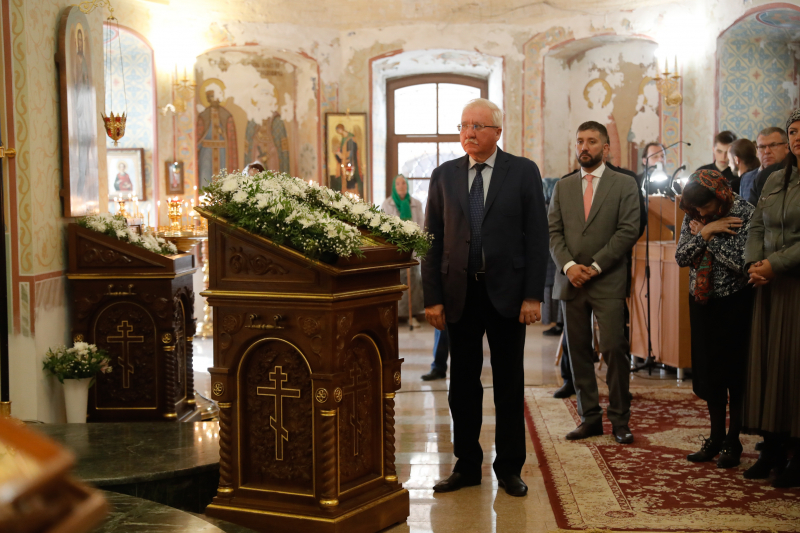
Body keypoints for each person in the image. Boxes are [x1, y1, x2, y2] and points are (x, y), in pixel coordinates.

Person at [422, 98, 549, 497]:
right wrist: (432, 297)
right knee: (462, 384)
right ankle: (466, 465)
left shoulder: (523, 171)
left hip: (507, 293)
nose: (469, 133)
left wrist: (533, 295)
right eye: (464, 125)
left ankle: (509, 467)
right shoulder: (444, 175)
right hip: (459, 293)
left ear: (497, 131)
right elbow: (431, 240)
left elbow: (537, 236)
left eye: (477, 126)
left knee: (509, 382)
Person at [548, 121, 640, 444]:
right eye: (579, 141)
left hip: (608, 279)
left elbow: (629, 230)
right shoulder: (563, 187)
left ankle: (620, 420)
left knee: (614, 348)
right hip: (571, 281)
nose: (584, 147)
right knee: (578, 352)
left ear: (606, 147)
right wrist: (569, 266)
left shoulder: (624, 184)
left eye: (591, 141)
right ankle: (589, 418)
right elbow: (553, 232)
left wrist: (596, 266)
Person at [675, 170, 754, 468]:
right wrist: (706, 232)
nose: (700, 213)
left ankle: (733, 441)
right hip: (702, 302)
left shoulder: (744, 212)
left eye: (705, 207)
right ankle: (715, 437)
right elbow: (682, 256)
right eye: (696, 209)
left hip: (735, 303)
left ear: (720, 196)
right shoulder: (693, 211)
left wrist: (708, 238)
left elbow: (742, 263)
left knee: (735, 373)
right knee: (710, 373)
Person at [741, 109, 800, 488]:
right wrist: (754, 263)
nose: (797, 137)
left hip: (794, 284)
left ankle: (798, 453)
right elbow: (757, 225)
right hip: (768, 285)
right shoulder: (776, 178)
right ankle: (772, 449)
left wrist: (774, 264)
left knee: (793, 368)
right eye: (793, 131)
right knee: (768, 367)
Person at [381, 174, 425, 329]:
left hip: (412, 248)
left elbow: (421, 223)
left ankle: (412, 315)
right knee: (396, 282)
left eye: (404, 183)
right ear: (394, 186)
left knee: (412, 282)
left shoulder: (416, 203)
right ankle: (395, 315)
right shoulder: (387, 204)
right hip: (395, 249)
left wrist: (414, 239)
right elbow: (384, 226)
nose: (401, 186)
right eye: (398, 184)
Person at [748, 126, 790, 205]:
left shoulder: (795, 172)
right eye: (762, 147)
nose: (767, 151)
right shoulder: (746, 178)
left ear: (786, 147)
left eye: (773, 145)